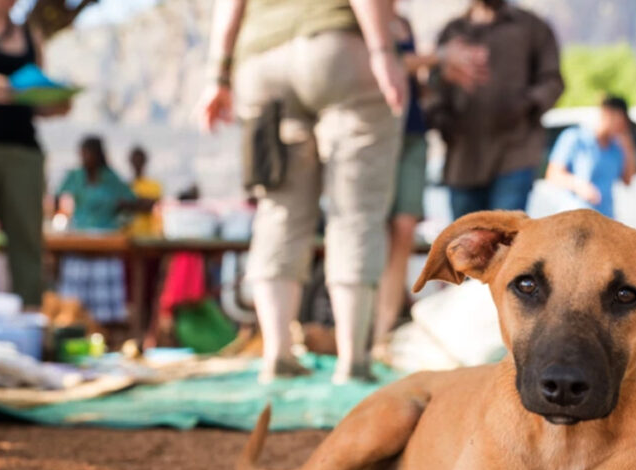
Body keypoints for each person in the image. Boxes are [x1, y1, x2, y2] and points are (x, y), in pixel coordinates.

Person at [200, 0, 405, 384]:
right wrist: (382, 51)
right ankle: (352, 360)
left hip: (261, 62)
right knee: (355, 212)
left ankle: (277, 353)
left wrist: (217, 75)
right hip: (337, 47)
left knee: (279, 210)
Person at [371, 2, 487, 358]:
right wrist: (438, 57)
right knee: (371, 230)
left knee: (403, 231)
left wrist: (444, 79)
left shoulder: (402, 23)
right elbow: (379, 63)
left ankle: (381, 332)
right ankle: (360, 330)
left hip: (412, 133)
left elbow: (412, 79)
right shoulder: (364, 17)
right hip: (375, 132)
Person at [0, 0, 68, 308]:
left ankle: (30, 326)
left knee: (28, 244)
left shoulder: (30, 35)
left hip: (22, 150)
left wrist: (55, 103)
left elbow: (37, 99)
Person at [427, 0, 563, 219]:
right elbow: (432, 86)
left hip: (515, 152)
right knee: (465, 241)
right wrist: (443, 121)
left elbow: (552, 82)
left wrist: (524, 104)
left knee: (506, 237)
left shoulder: (530, 27)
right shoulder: (453, 32)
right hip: (463, 158)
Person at [54, 136, 138, 324]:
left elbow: (131, 201)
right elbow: (57, 197)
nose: (85, 157)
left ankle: (107, 332)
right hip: (79, 242)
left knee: (105, 309)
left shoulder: (110, 178)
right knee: (73, 305)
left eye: (89, 153)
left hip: (105, 243)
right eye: (82, 153)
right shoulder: (75, 177)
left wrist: (120, 212)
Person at [544, 94, 636, 218]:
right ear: (607, 113)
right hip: (575, 216)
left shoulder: (616, 148)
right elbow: (552, 174)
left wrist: (629, 147)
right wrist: (579, 185)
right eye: (620, 120)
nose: (622, 126)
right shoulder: (575, 138)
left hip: (605, 219)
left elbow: (628, 180)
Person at [126, 145, 162, 237]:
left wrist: (131, 204)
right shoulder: (126, 186)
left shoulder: (154, 185)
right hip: (129, 236)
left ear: (144, 161)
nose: (137, 163)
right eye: (135, 160)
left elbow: (154, 205)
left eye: (139, 160)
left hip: (149, 236)